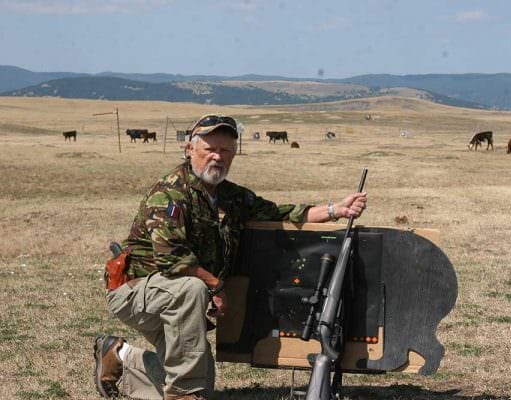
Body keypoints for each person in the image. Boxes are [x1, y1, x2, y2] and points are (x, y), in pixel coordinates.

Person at [94, 114, 367, 400]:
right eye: (209, 149)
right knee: (192, 289)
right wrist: (217, 286)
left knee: (203, 382)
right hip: (135, 292)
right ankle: (183, 395)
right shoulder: (170, 193)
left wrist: (337, 209)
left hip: (173, 300)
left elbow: (279, 214)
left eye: (225, 150)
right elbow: (171, 259)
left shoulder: (231, 196)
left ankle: (119, 359)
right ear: (190, 150)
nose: (217, 157)